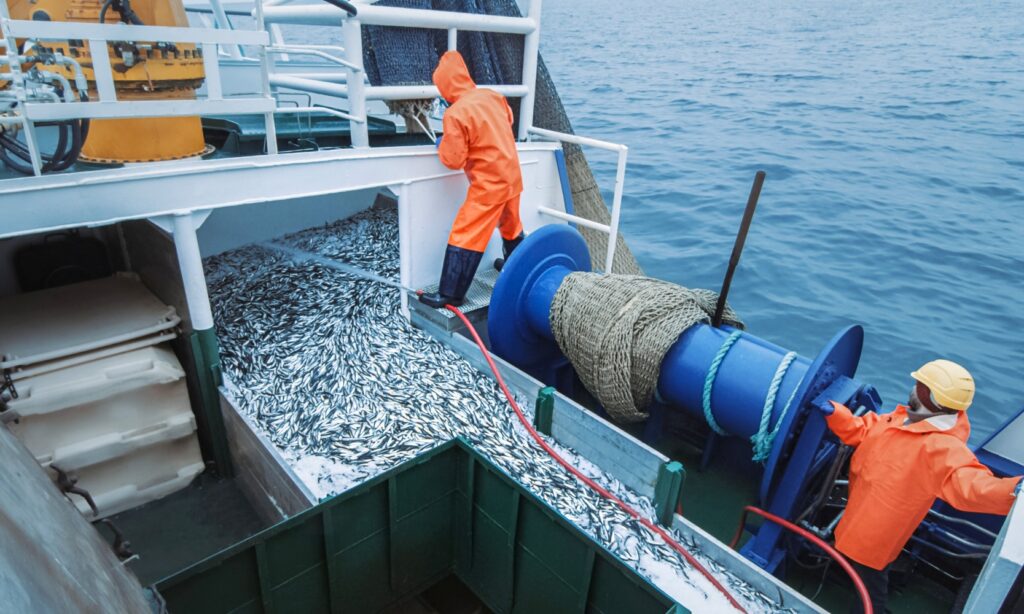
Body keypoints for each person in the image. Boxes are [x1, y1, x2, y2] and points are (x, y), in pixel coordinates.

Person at [820, 359, 1022, 613]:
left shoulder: (945, 450)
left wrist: (1013, 490)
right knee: (860, 573)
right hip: (856, 516)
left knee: (869, 588)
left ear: (930, 396)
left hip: (875, 539)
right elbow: (861, 430)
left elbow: (973, 486)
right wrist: (836, 413)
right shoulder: (901, 419)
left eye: (920, 385)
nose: (913, 388)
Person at [418, 50, 526, 309]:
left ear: (444, 86)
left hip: (490, 185)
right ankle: (515, 270)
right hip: (512, 175)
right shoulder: (492, 96)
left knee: (466, 233)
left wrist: (442, 143)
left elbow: (453, 159)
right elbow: (508, 119)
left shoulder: (455, 114)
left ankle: (451, 294)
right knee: (511, 227)